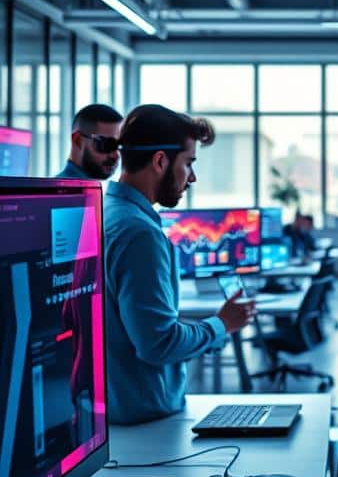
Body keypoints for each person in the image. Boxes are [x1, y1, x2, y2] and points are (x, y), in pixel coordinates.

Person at [104, 104, 254, 424]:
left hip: (115, 414)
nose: (193, 177)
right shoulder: (140, 234)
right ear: (160, 161)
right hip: (145, 421)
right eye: (189, 163)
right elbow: (158, 344)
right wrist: (221, 324)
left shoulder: (105, 214)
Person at [56, 104, 123, 179]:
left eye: (120, 146)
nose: (116, 155)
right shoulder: (57, 189)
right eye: (106, 144)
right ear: (78, 140)